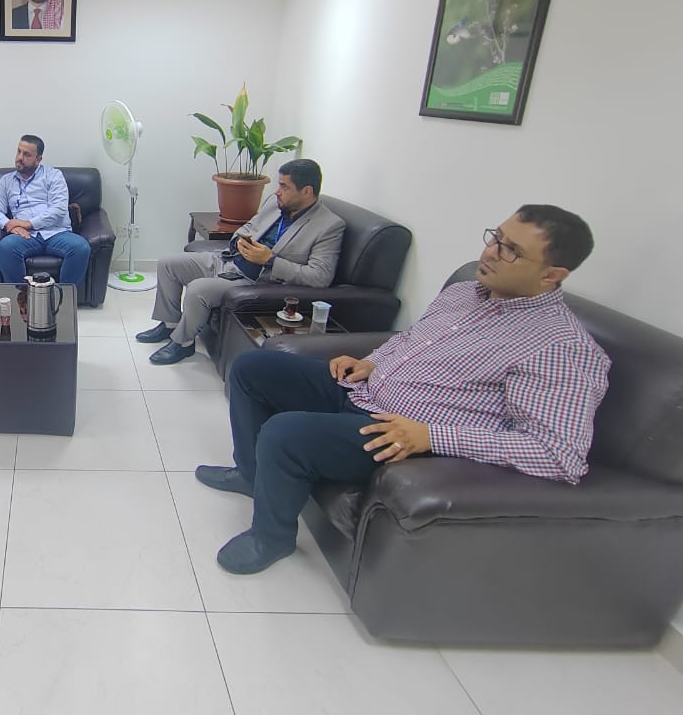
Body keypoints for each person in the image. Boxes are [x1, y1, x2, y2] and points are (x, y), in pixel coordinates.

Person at [195, 205, 610, 575]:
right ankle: (249, 474)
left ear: (552, 275)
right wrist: (373, 361)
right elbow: (412, 339)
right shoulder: (465, 292)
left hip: (401, 432)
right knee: (254, 367)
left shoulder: (560, 347)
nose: (490, 253)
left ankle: (271, 537)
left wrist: (432, 436)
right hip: (364, 390)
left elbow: (559, 453)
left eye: (510, 251)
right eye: (495, 238)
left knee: (285, 432)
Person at [137, 159, 345, 365]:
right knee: (168, 264)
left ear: (307, 191)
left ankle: (183, 343)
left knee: (198, 289)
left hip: (255, 280)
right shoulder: (275, 203)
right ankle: (170, 325)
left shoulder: (328, 226)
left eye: (284, 187)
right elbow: (249, 226)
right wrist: (239, 241)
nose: (277, 192)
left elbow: (319, 277)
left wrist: (270, 260)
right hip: (229, 261)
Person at [0, 135, 90, 287]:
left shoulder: (53, 176)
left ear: (38, 159)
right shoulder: (6, 181)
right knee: (6, 246)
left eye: (27, 154)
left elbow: (58, 210)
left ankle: (63, 297)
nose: (20, 158)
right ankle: (22, 297)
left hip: (56, 233)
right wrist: (9, 224)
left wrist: (27, 223)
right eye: (19, 152)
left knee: (81, 248)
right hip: (26, 236)